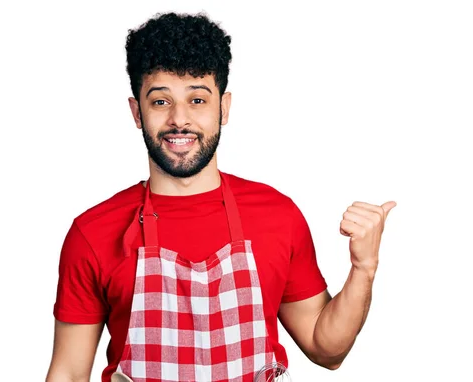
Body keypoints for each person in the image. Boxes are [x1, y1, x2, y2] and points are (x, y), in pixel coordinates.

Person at [46, 11, 396, 382]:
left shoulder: (277, 216)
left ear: (223, 108)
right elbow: (68, 373)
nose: (179, 119)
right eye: (161, 101)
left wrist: (364, 268)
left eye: (197, 100)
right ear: (137, 112)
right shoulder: (94, 232)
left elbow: (327, 350)